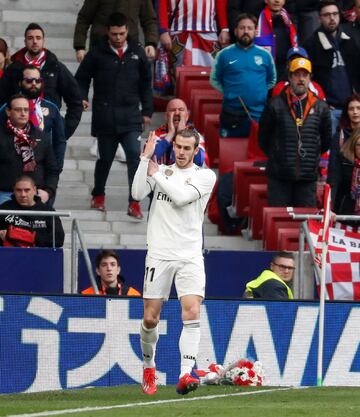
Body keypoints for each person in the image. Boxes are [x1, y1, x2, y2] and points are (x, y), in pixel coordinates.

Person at [131, 128, 216, 395]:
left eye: (186, 148)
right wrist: (145, 160)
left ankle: (184, 374)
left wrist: (155, 173)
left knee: (191, 311)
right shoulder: (163, 171)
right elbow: (136, 194)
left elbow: (180, 198)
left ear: (196, 150)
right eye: (177, 147)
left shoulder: (205, 176)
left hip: (189, 255)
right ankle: (149, 365)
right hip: (159, 253)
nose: (180, 152)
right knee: (150, 318)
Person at [75, 12, 153, 217]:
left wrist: (147, 111)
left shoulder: (137, 52)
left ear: (127, 31)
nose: (118, 38)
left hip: (130, 116)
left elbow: (146, 83)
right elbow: (81, 77)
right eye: (114, 34)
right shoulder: (97, 53)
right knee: (105, 159)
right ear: (107, 32)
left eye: (121, 33)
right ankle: (98, 194)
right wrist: (81, 97)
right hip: (105, 115)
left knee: (135, 159)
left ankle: (134, 202)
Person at [258, 57, 332, 207]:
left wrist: (311, 157)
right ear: (290, 77)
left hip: (307, 178)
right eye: (297, 74)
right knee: (279, 223)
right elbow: (263, 139)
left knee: (305, 226)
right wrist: (278, 155)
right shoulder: (274, 105)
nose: (301, 79)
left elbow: (325, 141)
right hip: (279, 177)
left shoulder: (321, 107)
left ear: (310, 78)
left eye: (305, 75)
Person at [0, 23, 82, 142]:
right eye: (30, 38)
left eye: (38, 38)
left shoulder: (56, 67)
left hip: (48, 132)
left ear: (44, 41)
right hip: (17, 134)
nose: (34, 41)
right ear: (25, 41)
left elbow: (75, 101)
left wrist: (64, 130)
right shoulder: (14, 69)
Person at [210, 13, 276, 138]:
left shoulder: (265, 55)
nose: (246, 31)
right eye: (242, 28)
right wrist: (230, 92)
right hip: (231, 114)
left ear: (256, 31)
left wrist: (257, 93)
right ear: (235, 31)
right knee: (229, 153)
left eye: (250, 28)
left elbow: (272, 80)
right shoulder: (224, 54)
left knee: (258, 153)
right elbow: (214, 80)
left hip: (259, 115)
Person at [304, 1, 360, 134]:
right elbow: (307, 79)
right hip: (328, 109)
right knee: (329, 152)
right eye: (327, 15)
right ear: (320, 18)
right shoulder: (311, 44)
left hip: (351, 109)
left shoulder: (350, 40)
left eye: (335, 14)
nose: (332, 18)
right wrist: (320, 102)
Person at [0, 65, 66, 171]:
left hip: (42, 169)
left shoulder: (52, 108)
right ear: (20, 83)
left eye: (38, 80)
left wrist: (56, 169)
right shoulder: (7, 108)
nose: (34, 84)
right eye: (29, 81)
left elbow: (59, 141)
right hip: (12, 169)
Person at [156, 0, 230, 92]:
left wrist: (224, 28)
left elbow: (221, 2)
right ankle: (179, 104)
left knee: (210, 77)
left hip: (208, 36)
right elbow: (161, 3)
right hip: (179, 34)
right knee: (178, 79)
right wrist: (163, 30)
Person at [0, 94, 59, 205]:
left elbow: (52, 169)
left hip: (35, 197)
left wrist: (48, 191)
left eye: (26, 110)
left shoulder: (42, 136)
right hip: (4, 195)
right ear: (8, 111)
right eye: (18, 110)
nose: (23, 113)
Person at [73, 0, 158, 62]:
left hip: (130, 48)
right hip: (102, 48)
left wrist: (150, 43)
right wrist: (80, 47)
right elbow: (84, 18)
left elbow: (149, 19)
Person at [0, 175, 64, 247]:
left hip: (39, 255)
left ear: (34, 190)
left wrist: (17, 236)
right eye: (18, 190)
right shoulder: (4, 209)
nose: (23, 194)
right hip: (9, 254)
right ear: (14, 190)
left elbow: (59, 240)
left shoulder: (48, 211)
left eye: (27, 190)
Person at [153, 98, 206, 166]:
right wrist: (170, 135)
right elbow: (150, 160)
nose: (177, 113)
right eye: (172, 110)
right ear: (166, 116)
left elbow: (199, 161)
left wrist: (181, 134)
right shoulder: (155, 136)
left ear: (187, 116)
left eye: (181, 110)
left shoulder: (196, 136)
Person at [255, 0, 298, 81]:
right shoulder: (257, 20)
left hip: (285, 70)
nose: (277, 1)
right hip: (263, 72)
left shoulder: (290, 20)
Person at [329, 129, 360, 220]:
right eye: (359, 145)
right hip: (345, 213)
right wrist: (330, 208)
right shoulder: (343, 161)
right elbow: (334, 184)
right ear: (353, 146)